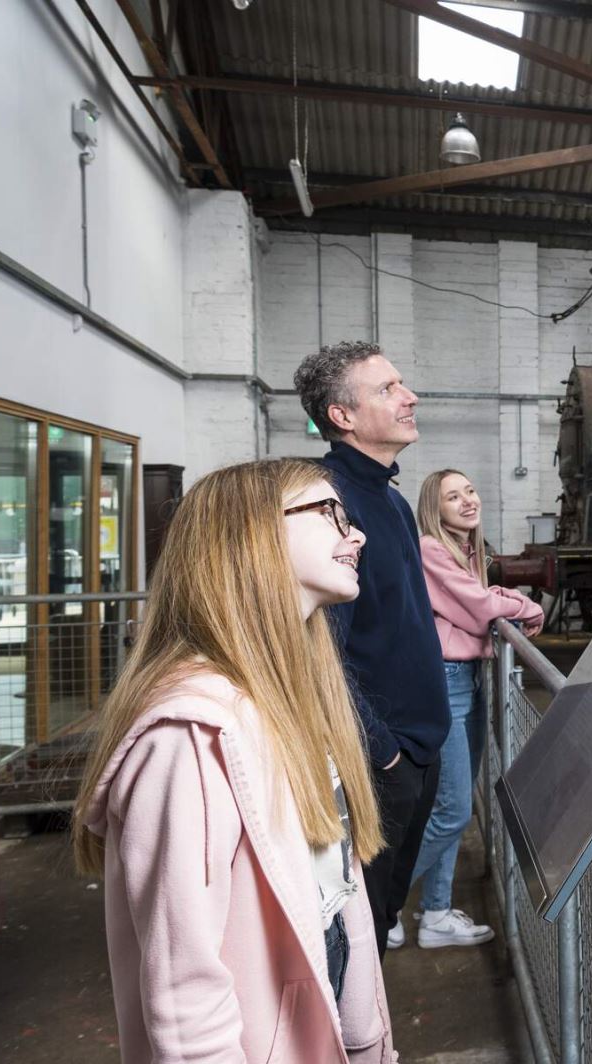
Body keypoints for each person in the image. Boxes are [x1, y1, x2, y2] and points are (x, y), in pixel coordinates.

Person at [71, 459, 397, 1062]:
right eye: (328, 514)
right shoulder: (187, 735)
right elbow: (185, 994)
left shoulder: (289, 692)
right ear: (248, 535)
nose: (356, 534)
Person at [295, 341, 450, 956]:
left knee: (381, 917)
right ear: (343, 416)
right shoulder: (327, 502)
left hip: (415, 748)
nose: (408, 396)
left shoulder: (390, 501)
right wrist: (382, 753)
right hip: (379, 762)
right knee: (356, 933)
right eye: (387, 389)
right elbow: (317, 654)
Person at [395, 470, 544, 949]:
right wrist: (522, 603)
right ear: (434, 509)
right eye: (452, 497)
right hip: (446, 683)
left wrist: (500, 601)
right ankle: (380, 904)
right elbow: (479, 609)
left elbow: (478, 604)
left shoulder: (468, 552)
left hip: (467, 680)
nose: (466, 501)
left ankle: (436, 912)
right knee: (454, 810)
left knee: (454, 805)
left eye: (470, 491)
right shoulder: (431, 549)